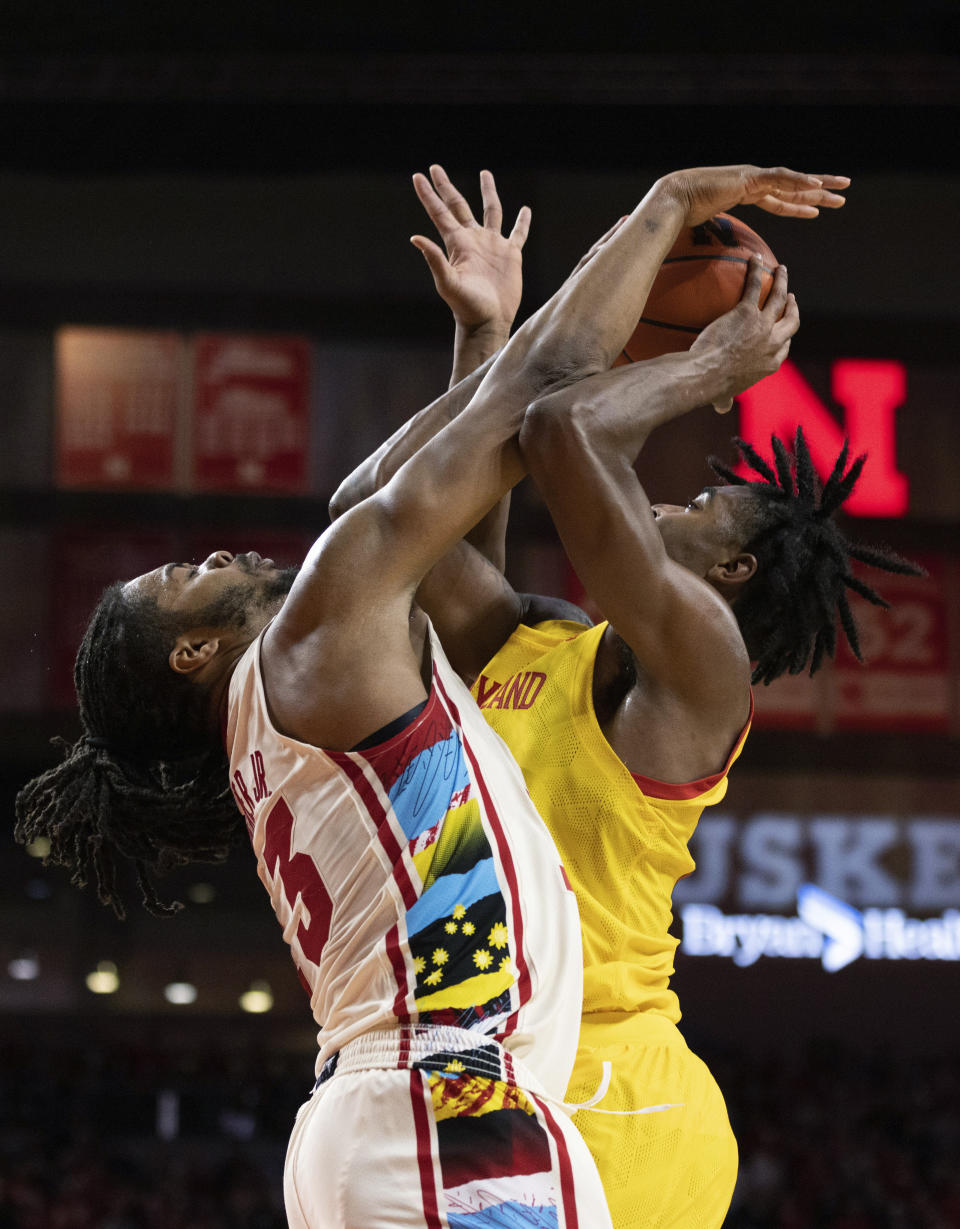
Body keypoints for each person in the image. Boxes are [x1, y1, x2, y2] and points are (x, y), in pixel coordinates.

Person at [17, 161, 839, 1228]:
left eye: (702, 503)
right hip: (454, 1093)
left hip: (535, 1093)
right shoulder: (364, 645)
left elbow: (504, 457)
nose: (215, 550)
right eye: (184, 578)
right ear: (186, 653)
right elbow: (508, 444)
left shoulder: (678, 663)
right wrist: (660, 237)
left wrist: (547, 325)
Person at [334, 163, 919, 1228]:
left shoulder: (706, 666)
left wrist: (705, 365)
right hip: (496, 1068)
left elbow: (562, 432)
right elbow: (387, 517)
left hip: (616, 1095)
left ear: (733, 573)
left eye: (703, 501)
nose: (674, 493)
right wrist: (488, 335)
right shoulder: (548, 642)